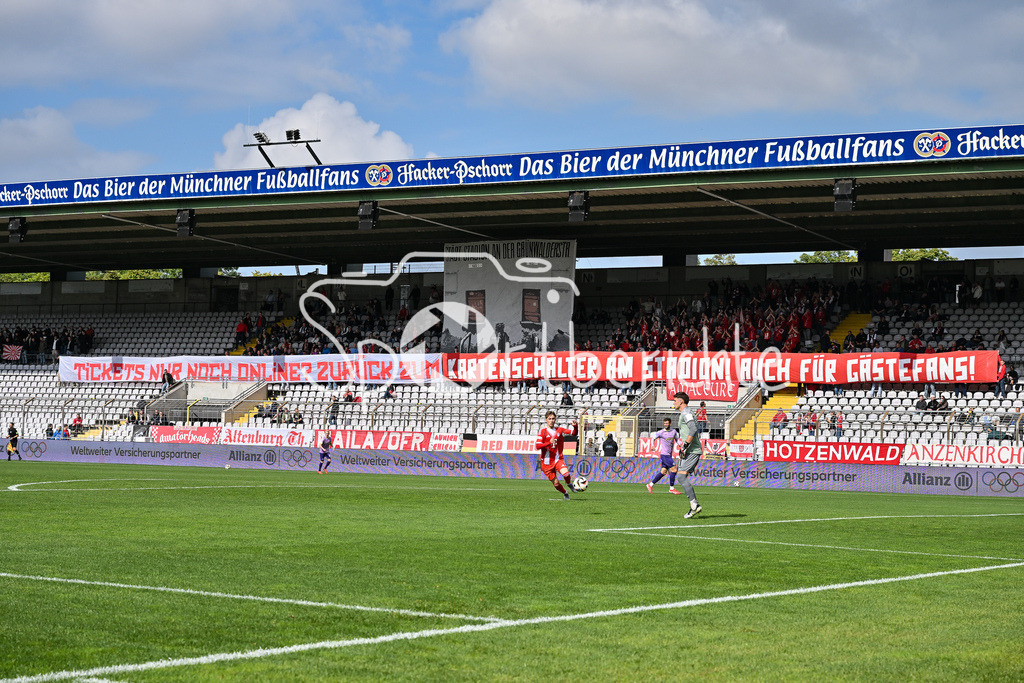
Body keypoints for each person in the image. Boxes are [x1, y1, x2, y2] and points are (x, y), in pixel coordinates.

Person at [672, 392, 704, 519]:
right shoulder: (685, 413)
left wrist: (685, 446)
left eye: (674, 401)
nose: (673, 403)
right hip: (689, 450)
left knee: (681, 477)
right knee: (680, 476)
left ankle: (694, 505)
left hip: (692, 450)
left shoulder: (687, 413)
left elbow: (693, 429)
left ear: (681, 401)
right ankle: (694, 505)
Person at [535, 410, 579, 500]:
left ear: (555, 420)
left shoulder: (560, 429)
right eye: (549, 419)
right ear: (546, 420)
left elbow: (574, 433)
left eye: (553, 419)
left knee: (566, 474)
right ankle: (565, 493)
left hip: (557, 459)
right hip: (546, 462)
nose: (551, 420)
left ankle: (569, 484)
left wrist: (575, 426)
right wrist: (548, 443)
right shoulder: (542, 432)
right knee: (556, 483)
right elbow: (537, 446)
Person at [647, 417, 682, 495]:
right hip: (664, 455)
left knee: (663, 472)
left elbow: (677, 440)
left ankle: (650, 485)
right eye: (664, 423)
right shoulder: (661, 432)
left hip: (669, 455)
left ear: (670, 423)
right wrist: (652, 445)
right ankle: (671, 488)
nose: (665, 424)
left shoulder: (673, 431)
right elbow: (653, 438)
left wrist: (680, 445)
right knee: (674, 470)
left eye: (667, 423)